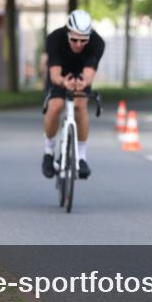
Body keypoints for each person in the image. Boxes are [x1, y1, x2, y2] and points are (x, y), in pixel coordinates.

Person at [41, 9, 105, 180]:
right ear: (67, 32)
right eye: (74, 39)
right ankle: (48, 151)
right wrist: (63, 82)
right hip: (60, 75)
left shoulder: (97, 43)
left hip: (80, 76)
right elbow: (54, 74)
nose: (78, 44)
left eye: (83, 40)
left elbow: (89, 72)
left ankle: (81, 157)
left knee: (80, 106)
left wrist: (84, 83)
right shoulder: (55, 38)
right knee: (55, 106)